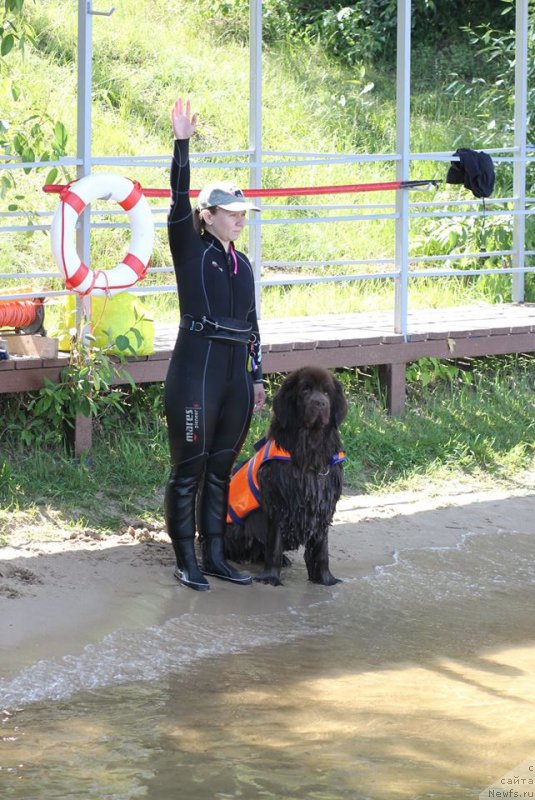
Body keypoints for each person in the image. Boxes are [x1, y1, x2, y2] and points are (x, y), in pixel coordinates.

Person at [164, 97, 266, 592]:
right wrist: (182, 142)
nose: (239, 219)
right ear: (207, 216)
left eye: (243, 213)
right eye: (230, 213)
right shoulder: (189, 247)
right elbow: (177, 195)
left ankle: (216, 556)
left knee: (222, 469)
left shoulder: (242, 265)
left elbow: (252, 324)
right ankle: (186, 560)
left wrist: (259, 376)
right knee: (190, 469)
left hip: (235, 375)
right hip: (195, 370)